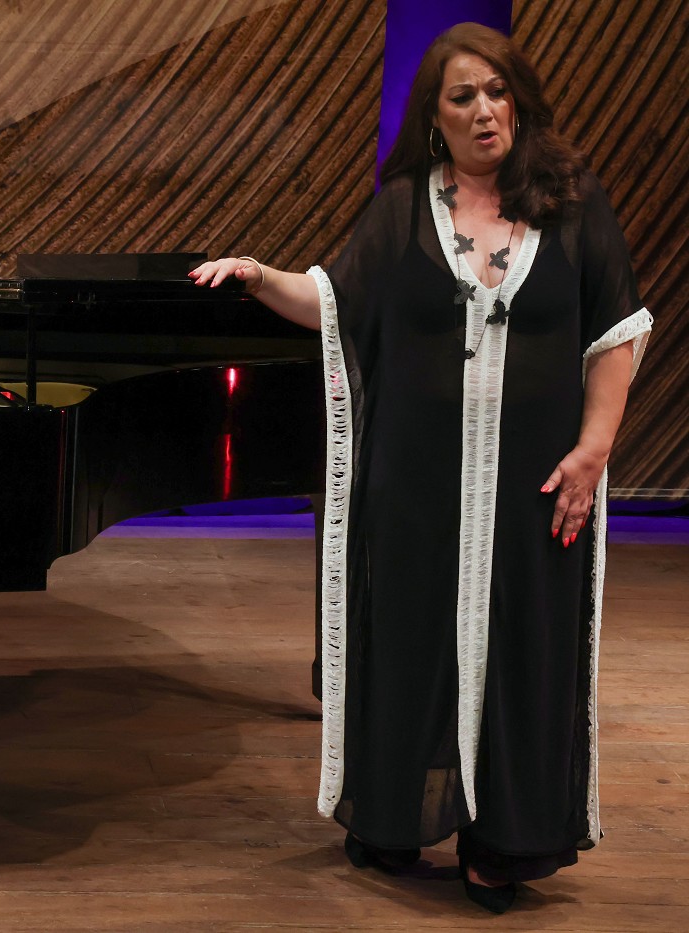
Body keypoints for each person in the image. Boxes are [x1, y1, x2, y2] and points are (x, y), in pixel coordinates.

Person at [190, 23, 651, 912]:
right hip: (417, 483)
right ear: (434, 119)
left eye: (497, 91)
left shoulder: (573, 203)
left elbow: (616, 332)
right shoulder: (403, 205)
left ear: (519, 101)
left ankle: (503, 840)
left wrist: (594, 450)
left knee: (524, 652)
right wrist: (258, 273)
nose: (485, 111)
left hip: (537, 486)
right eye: (463, 97)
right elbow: (334, 298)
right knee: (409, 644)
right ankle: (395, 812)